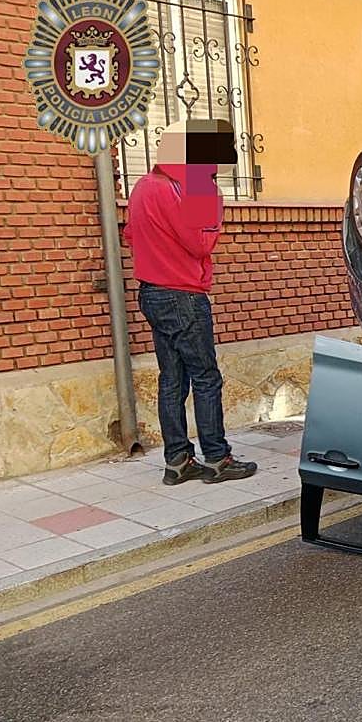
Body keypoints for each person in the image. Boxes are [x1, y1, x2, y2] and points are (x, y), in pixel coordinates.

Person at [123, 119, 257, 485]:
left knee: (172, 379)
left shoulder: (144, 187)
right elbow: (202, 243)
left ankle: (178, 461)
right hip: (183, 295)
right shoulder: (192, 188)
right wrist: (211, 198)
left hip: (151, 292)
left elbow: (131, 235)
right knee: (206, 377)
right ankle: (217, 458)